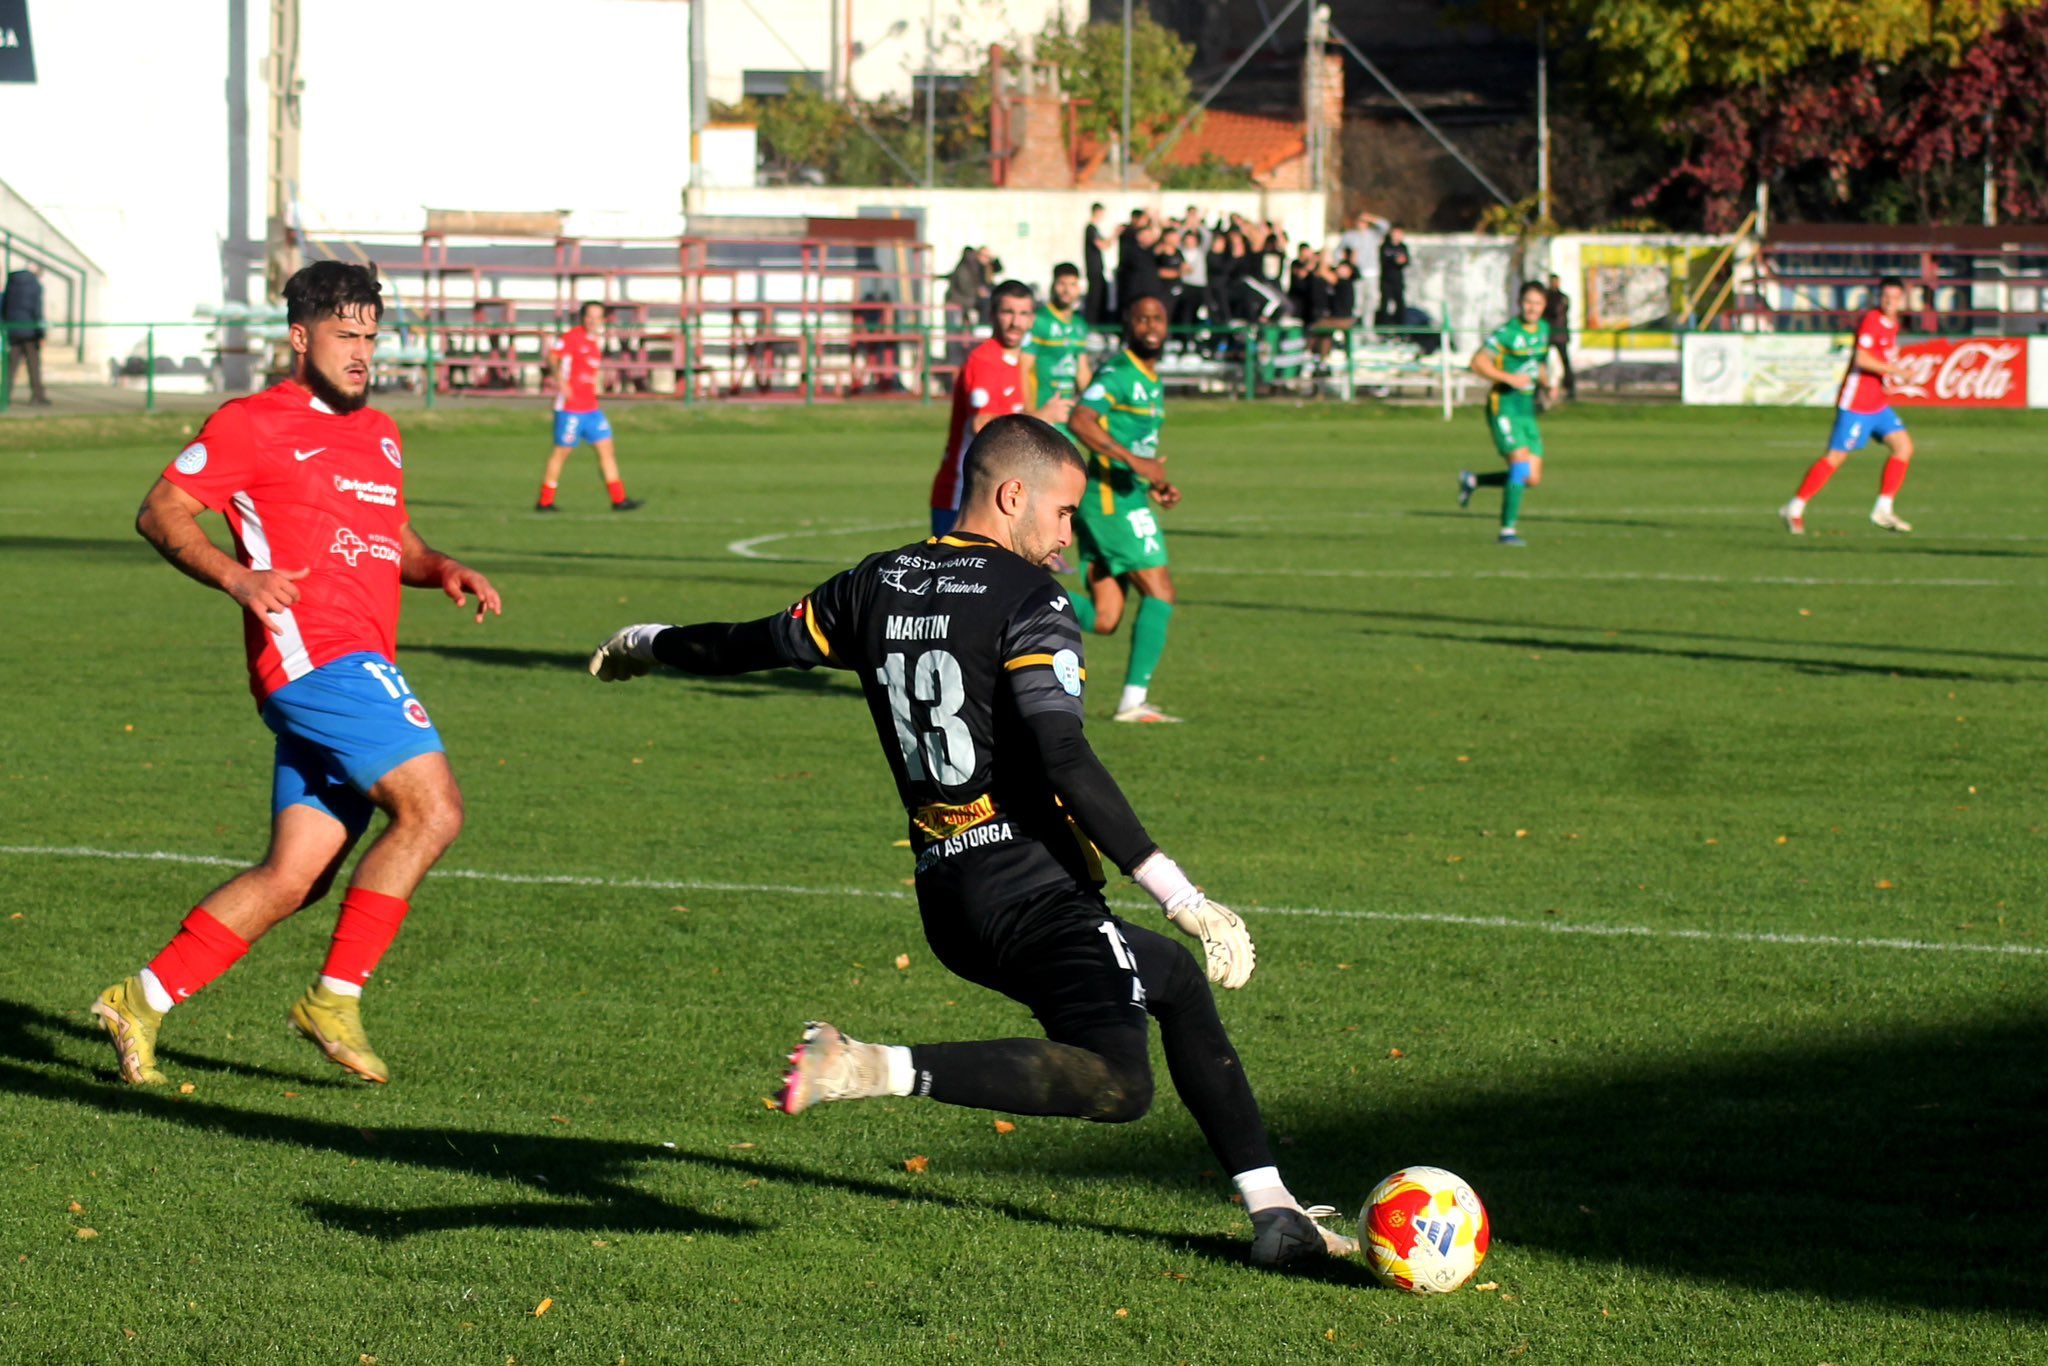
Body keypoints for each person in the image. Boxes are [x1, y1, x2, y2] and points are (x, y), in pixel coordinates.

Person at [586, 415, 1356, 1269]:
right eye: (1064, 513)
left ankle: (1274, 1211)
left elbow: (752, 643)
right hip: (1033, 888)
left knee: (1171, 984)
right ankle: (869, 1066)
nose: (1071, 535)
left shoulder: (876, 582)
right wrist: (1182, 896)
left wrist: (645, 642)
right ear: (1012, 495)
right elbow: (1063, 752)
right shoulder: (1031, 599)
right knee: (1118, 1082)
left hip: (951, 898)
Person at [91, 261, 502, 1087]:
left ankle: (139, 998)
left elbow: (396, 543)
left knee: (296, 875)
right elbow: (160, 509)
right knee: (434, 810)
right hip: (316, 660)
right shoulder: (253, 423)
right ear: (300, 336)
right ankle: (335, 997)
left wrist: (441, 566)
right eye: (345, 336)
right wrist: (236, 578)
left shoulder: (382, 432)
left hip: (356, 659)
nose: (361, 352)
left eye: (371, 338)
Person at [1068, 295, 1183, 723]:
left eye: (1158, 318)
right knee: (1161, 590)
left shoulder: (1151, 380)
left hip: (1127, 494)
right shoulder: (1118, 372)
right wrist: (1137, 465)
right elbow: (1081, 419)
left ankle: (1021, 599)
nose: (1151, 325)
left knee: (1104, 617)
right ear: (1128, 326)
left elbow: (1138, 446)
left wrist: (1155, 482)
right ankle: (1132, 704)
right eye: (1141, 319)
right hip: (1109, 500)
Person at [929, 280, 1074, 536]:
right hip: (963, 499)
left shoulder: (1022, 363)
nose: (1015, 322)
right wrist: (1041, 418)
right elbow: (979, 424)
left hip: (999, 501)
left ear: (1032, 319)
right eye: (1008, 312)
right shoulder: (985, 360)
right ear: (992, 315)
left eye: (1023, 314)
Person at [1780, 275, 1915, 534]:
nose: (1890, 302)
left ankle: (1883, 509)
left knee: (1904, 447)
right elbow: (1862, 359)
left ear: (1902, 300)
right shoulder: (1872, 321)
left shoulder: (1893, 324)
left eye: (1895, 298)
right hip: (1857, 404)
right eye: (1886, 297)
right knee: (1835, 458)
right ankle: (1795, 507)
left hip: (1877, 404)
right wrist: (1896, 371)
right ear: (1879, 298)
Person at [1458, 280, 1552, 547]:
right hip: (1505, 407)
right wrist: (1508, 378)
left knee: (1531, 477)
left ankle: (1473, 480)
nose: (1532, 308)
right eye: (1528, 302)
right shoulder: (1508, 332)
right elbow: (1477, 362)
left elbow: (1537, 362)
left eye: (1537, 303)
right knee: (1520, 466)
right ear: (1519, 304)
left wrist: (1547, 384)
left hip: (1526, 409)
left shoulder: (1543, 329)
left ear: (1544, 306)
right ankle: (1506, 531)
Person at [535, 301, 641, 512]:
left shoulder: (594, 343)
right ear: (583, 318)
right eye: (589, 316)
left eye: (598, 317)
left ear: (603, 320)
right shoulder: (572, 337)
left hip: (591, 408)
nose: (593, 321)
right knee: (561, 453)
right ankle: (545, 501)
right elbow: (552, 357)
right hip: (570, 408)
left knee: (607, 450)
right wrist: (561, 382)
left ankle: (619, 500)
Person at [1028, 264, 1093, 441]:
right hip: (1043, 410)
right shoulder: (1039, 320)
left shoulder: (1079, 325)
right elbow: (1024, 368)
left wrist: (1093, 406)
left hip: (1066, 413)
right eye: (1062, 284)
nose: (1066, 290)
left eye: (1072, 285)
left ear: (1079, 288)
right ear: (1053, 285)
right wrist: (1030, 412)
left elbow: (1082, 371)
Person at [1, 261, 51, 407]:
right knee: (33, 364)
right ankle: (37, 395)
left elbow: (4, 305)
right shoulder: (35, 286)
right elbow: (37, 310)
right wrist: (41, 333)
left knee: (11, 365)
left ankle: (5, 395)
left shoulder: (11, 284)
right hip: (30, 330)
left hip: (13, 328)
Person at [1339, 208, 1391, 326]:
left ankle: (1368, 328)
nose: (1361, 224)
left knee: (1372, 301)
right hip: (1357, 273)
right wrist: (1346, 263)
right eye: (1359, 221)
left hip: (1372, 273)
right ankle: (1355, 328)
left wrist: (1371, 217)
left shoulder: (1373, 235)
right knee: (1358, 302)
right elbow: (1339, 252)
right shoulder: (1350, 236)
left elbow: (1386, 226)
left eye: (1363, 221)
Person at [1543, 272, 1576, 400]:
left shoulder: (1562, 297)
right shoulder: (1546, 297)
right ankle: (1541, 387)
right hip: (1548, 334)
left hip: (1560, 334)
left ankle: (1569, 387)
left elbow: (1560, 312)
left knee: (1565, 362)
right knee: (1541, 361)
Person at [1082, 203, 1117, 326]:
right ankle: (1091, 324)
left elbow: (1106, 245)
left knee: (1101, 296)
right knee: (1095, 298)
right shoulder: (1091, 228)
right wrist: (1115, 234)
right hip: (1094, 268)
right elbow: (1101, 245)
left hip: (1098, 268)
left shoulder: (1095, 229)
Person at [1377, 229, 1411, 328]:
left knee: (1400, 304)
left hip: (1398, 280)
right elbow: (1384, 261)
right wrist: (1394, 260)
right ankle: (1382, 327)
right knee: (1384, 304)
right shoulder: (1385, 246)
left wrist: (1402, 261)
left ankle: (1401, 328)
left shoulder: (1403, 247)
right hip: (1386, 280)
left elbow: (1406, 261)